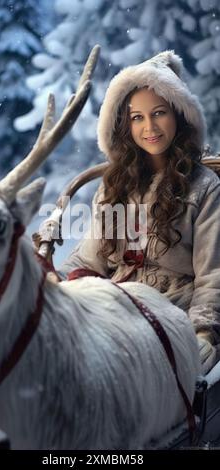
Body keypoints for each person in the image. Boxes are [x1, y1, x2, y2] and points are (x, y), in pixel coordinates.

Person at [59, 50, 220, 374]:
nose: (150, 127)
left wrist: (204, 332)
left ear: (179, 115)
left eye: (159, 113)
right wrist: (56, 287)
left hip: (172, 312)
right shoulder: (115, 185)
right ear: (124, 125)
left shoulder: (204, 188)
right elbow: (88, 261)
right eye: (137, 117)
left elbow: (213, 275)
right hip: (113, 305)